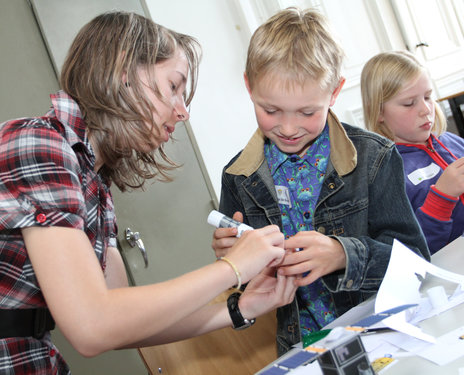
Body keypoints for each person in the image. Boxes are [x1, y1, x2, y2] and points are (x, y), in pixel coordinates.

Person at [0, 11, 298, 374]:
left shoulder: (94, 183)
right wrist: (233, 267)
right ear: (123, 72)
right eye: (174, 87)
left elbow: (120, 317)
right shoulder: (38, 143)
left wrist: (240, 308)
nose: (183, 111)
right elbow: (92, 325)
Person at [211, 7, 430, 357]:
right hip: (303, 350)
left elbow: (417, 263)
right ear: (249, 87)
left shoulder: (374, 158)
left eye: (307, 112)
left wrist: (344, 254)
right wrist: (234, 264)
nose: (287, 127)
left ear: (335, 92)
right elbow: (250, 291)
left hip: (382, 336)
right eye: (271, 110)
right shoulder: (238, 177)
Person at [361, 50, 464, 254]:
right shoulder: (384, 174)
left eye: (428, 96)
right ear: (379, 111)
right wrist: (442, 198)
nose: (426, 109)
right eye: (409, 103)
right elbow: (411, 252)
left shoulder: (453, 143)